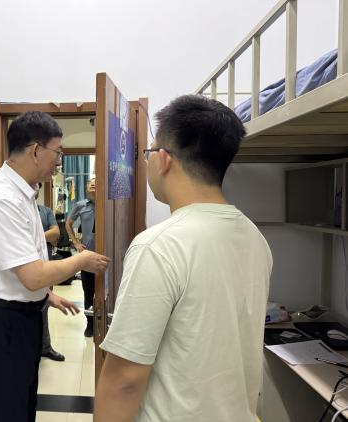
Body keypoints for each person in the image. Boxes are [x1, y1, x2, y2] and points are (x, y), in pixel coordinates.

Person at [94, 95, 273, 422]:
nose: (147, 161)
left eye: (148, 153)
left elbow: (124, 379)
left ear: (163, 159)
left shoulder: (158, 246)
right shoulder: (254, 237)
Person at [0, 111, 110, 422]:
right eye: (58, 152)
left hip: (19, 316)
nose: (59, 161)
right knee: (2, 410)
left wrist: (46, 295)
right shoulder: (2, 198)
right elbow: (31, 276)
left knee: (20, 404)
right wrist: (81, 260)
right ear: (35, 150)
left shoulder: (22, 193)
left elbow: (21, 265)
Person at [35, 183, 65, 362]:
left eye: (37, 186)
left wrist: (32, 237)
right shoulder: (15, 210)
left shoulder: (45, 211)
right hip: (22, 270)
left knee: (44, 307)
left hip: (45, 267)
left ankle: (45, 347)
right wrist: (43, 237)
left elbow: (55, 232)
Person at [65, 178, 96, 337]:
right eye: (90, 182)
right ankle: (90, 324)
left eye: (96, 181)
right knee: (88, 291)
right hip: (87, 256)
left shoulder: (108, 204)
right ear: (86, 188)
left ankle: (106, 322)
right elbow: (68, 223)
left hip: (106, 254)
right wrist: (76, 243)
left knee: (108, 291)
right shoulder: (81, 205)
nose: (93, 184)